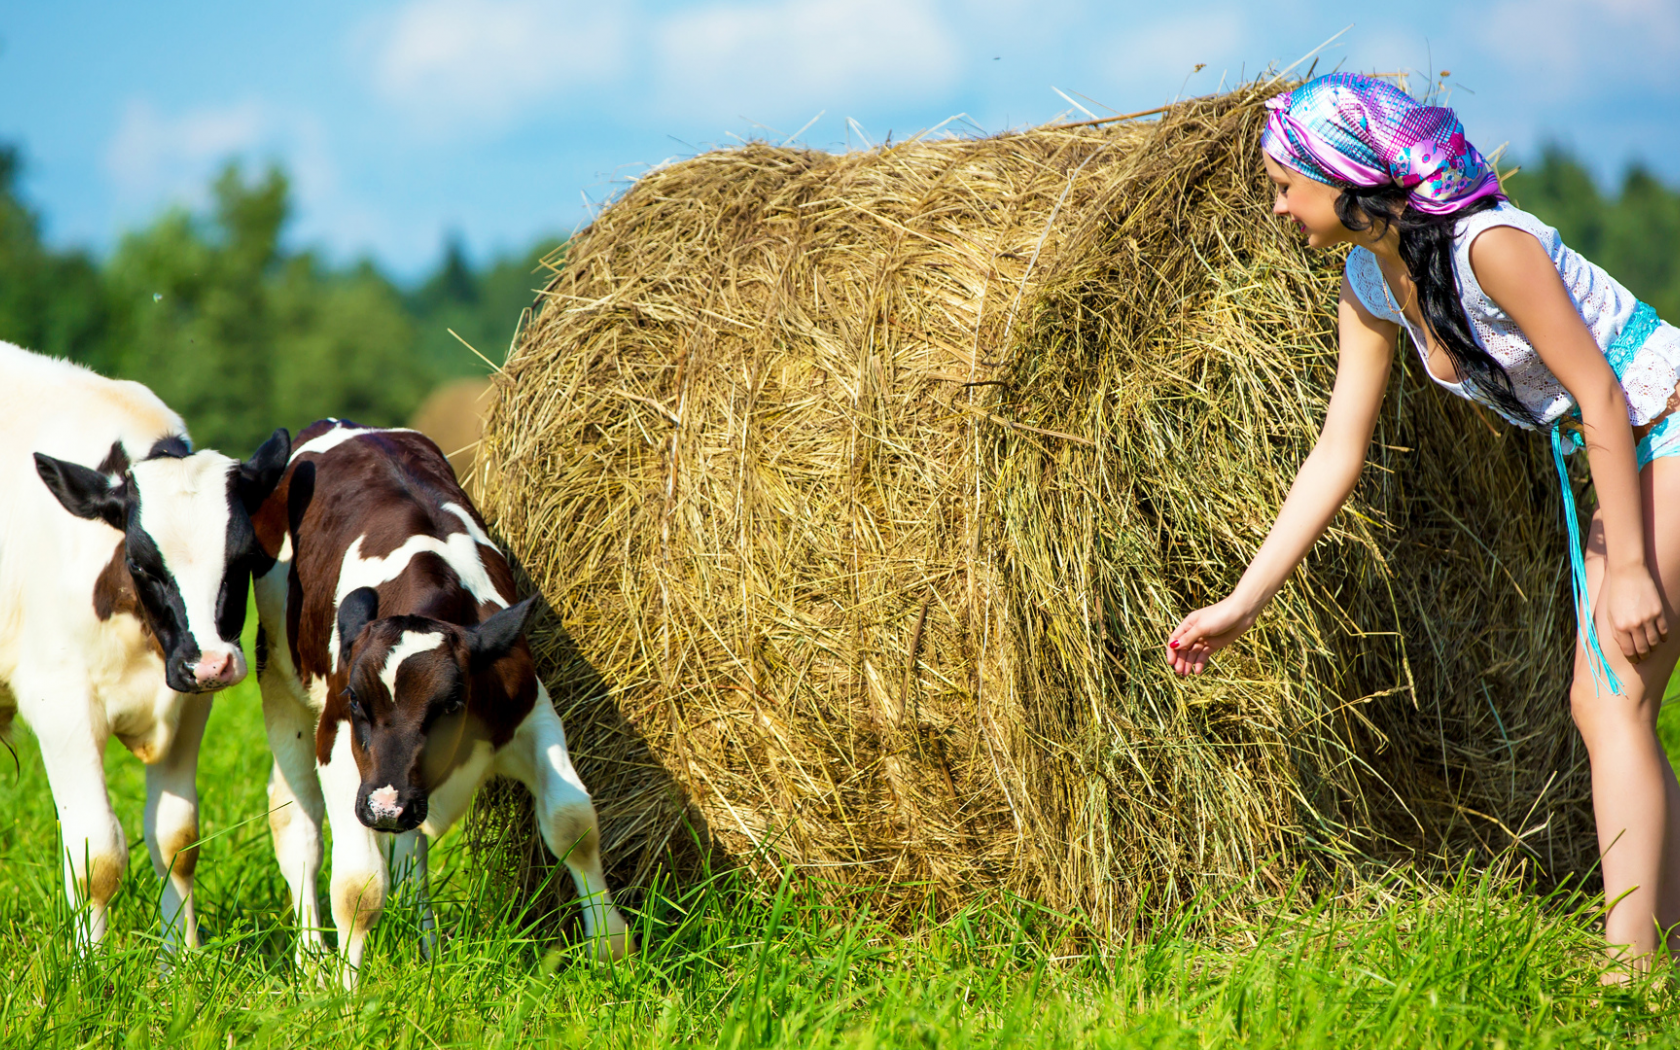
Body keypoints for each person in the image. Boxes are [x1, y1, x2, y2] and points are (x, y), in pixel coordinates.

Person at [1164, 73, 1680, 977]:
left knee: (1614, 696)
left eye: (1287, 186)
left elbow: (1600, 389)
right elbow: (1336, 452)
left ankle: (1628, 978)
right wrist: (1243, 603)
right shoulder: (1371, 276)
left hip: (1662, 423)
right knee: (1606, 703)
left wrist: (1630, 565)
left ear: (1345, 176)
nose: (1279, 208)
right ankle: (1657, 951)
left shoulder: (1488, 245)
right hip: (1611, 450)